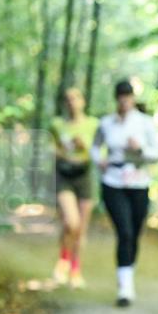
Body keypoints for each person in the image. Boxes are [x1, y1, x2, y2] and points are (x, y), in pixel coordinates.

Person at [90, 80, 158, 307]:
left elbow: (156, 153)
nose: (124, 100)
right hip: (113, 182)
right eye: (120, 96)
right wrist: (98, 160)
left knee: (135, 232)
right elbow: (95, 146)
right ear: (116, 98)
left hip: (138, 183)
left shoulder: (144, 123)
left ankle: (128, 269)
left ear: (132, 98)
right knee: (125, 231)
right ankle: (125, 288)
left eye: (127, 96)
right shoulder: (106, 123)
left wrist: (139, 149)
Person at [50, 88, 99, 289]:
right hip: (64, 176)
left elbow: (99, 152)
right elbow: (50, 149)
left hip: (84, 175)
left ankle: (75, 269)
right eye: (67, 98)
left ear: (83, 101)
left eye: (76, 97)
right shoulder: (56, 125)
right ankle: (63, 259)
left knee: (80, 229)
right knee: (71, 222)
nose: (72, 102)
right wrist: (64, 151)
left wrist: (84, 146)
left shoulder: (93, 125)